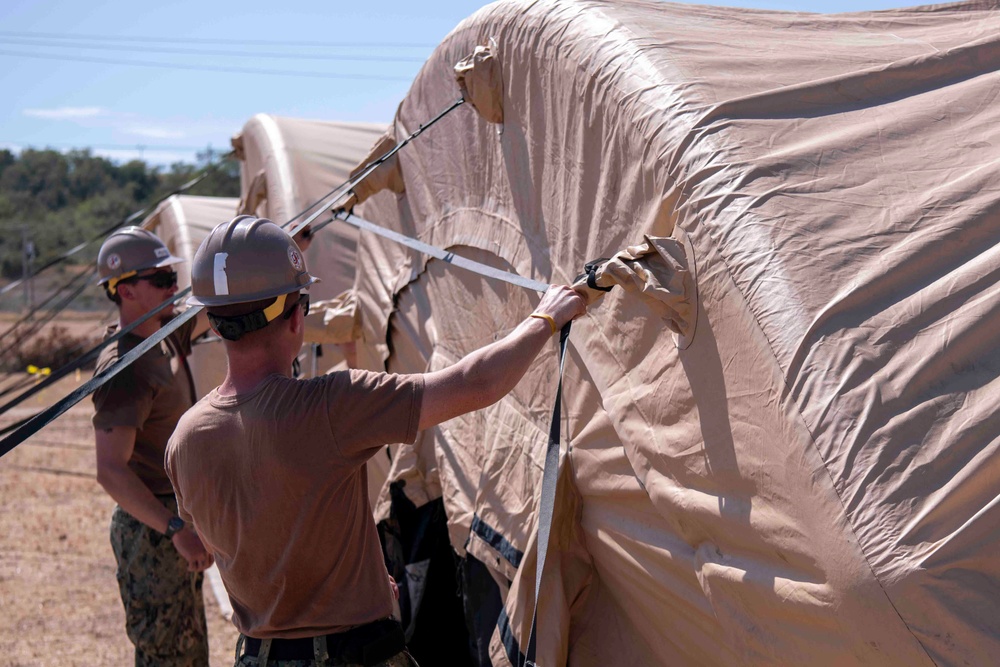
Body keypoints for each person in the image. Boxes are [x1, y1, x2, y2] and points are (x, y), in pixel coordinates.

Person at [164, 216, 587, 667]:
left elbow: (228, 536)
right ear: (295, 317)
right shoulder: (333, 406)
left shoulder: (184, 439)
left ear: (212, 321)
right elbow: (474, 384)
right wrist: (545, 317)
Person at [91, 226, 213, 666]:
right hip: (153, 531)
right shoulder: (125, 368)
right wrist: (176, 530)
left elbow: (221, 303)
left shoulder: (164, 333)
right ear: (125, 290)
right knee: (167, 655)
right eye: (161, 280)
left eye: (172, 277)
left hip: (172, 521)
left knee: (190, 652)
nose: (173, 287)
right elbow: (110, 469)